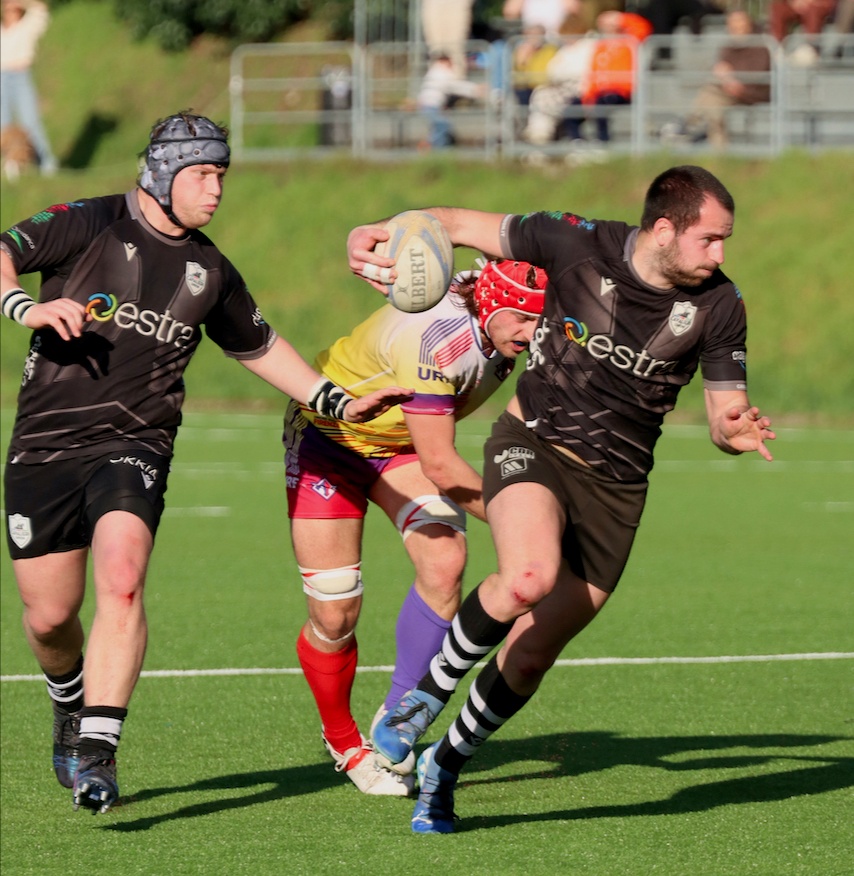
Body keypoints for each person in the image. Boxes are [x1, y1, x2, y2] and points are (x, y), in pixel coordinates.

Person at [0, 111, 411, 815]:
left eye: (221, 174)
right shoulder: (88, 221)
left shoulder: (211, 270)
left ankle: (98, 752)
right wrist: (22, 307)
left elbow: (261, 348)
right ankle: (68, 696)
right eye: (202, 173)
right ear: (161, 173)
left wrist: (339, 402)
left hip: (136, 445)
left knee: (123, 579)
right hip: (44, 444)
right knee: (48, 619)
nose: (216, 188)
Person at [348, 164, 776, 833]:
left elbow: (726, 411)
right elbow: (458, 225)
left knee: (532, 653)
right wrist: (391, 231)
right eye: (710, 239)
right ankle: (423, 698)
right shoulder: (575, 242)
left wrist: (733, 429)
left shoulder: (721, 306)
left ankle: (445, 768)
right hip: (534, 443)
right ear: (665, 228)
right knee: (527, 576)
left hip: (618, 490)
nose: (720, 254)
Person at [285, 258, 547, 795]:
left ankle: (397, 719)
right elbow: (444, 468)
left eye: (539, 321)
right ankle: (344, 741)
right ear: (491, 303)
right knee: (334, 608)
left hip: (398, 447)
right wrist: (522, 532)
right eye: (522, 318)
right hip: (327, 441)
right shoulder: (433, 338)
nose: (532, 332)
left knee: (445, 560)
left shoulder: (511, 333)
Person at [677, 10, 772, 148]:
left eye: (739, 22)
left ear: (748, 24)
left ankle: (689, 124)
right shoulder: (728, 46)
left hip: (753, 93)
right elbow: (721, 69)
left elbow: (755, 78)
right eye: (731, 23)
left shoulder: (761, 45)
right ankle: (716, 145)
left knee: (710, 92)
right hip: (726, 91)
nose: (735, 27)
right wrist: (726, 77)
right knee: (712, 103)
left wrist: (730, 77)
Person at [0, 0, 57, 175]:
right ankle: (11, 166)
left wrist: (20, 1)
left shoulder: (27, 26)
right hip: (2, 77)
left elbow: (41, 9)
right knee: (3, 126)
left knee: (30, 122)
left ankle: (47, 165)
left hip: (21, 75)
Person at [417, 52, 485, 150]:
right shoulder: (441, 72)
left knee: (438, 127)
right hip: (431, 105)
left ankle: (430, 147)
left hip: (429, 104)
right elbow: (456, 86)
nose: (452, 65)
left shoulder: (435, 71)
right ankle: (435, 149)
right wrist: (475, 89)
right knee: (442, 125)